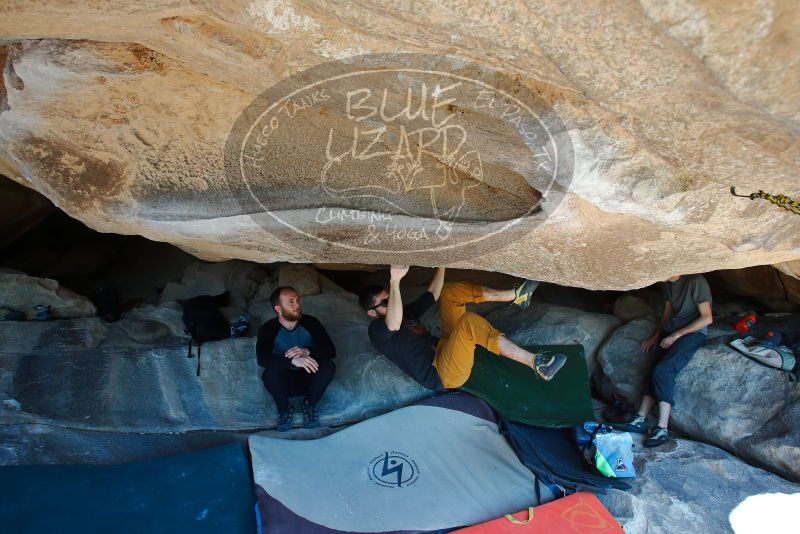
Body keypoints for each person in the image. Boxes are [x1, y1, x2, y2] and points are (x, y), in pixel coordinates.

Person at [359, 265, 566, 391]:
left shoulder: (405, 314)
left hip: (445, 347)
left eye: (390, 298)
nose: (391, 302)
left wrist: (441, 263)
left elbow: (433, 293)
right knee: (468, 323)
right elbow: (393, 324)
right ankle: (536, 363)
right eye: (385, 303)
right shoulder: (376, 331)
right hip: (443, 373)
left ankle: (515, 295)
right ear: (371, 312)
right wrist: (395, 280)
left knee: (451, 292)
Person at [616, 273, 713, 447]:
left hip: (692, 333)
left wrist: (677, 335)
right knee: (652, 370)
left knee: (664, 370)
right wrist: (656, 336)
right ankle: (640, 418)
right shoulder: (667, 283)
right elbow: (667, 313)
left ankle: (662, 428)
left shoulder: (695, 281)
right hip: (671, 331)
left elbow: (707, 317)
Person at [256, 286, 336, 431]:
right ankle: (284, 409)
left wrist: (308, 351)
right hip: (285, 381)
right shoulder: (268, 329)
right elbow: (262, 359)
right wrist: (291, 361)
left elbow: (330, 350)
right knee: (269, 374)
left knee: (328, 366)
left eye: (297, 300)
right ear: (278, 309)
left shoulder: (311, 322)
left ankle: (309, 404)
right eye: (291, 302)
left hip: (310, 378)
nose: (297, 305)